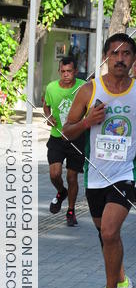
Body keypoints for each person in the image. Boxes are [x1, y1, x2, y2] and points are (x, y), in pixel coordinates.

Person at [63, 33, 136, 288]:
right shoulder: (89, 91)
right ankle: (125, 284)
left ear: (133, 59)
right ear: (106, 57)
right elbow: (66, 131)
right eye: (115, 53)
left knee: (109, 231)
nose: (121, 59)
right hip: (94, 175)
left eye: (127, 53)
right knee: (106, 236)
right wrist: (87, 122)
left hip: (126, 173)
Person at [43, 56, 86, 226]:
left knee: (72, 177)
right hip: (57, 137)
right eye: (63, 71)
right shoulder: (51, 87)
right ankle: (61, 192)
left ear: (75, 71)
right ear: (59, 71)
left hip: (76, 137)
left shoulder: (83, 86)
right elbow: (45, 105)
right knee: (54, 174)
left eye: (69, 71)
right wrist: (49, 116)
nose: (66, 74)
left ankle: (71, 211)